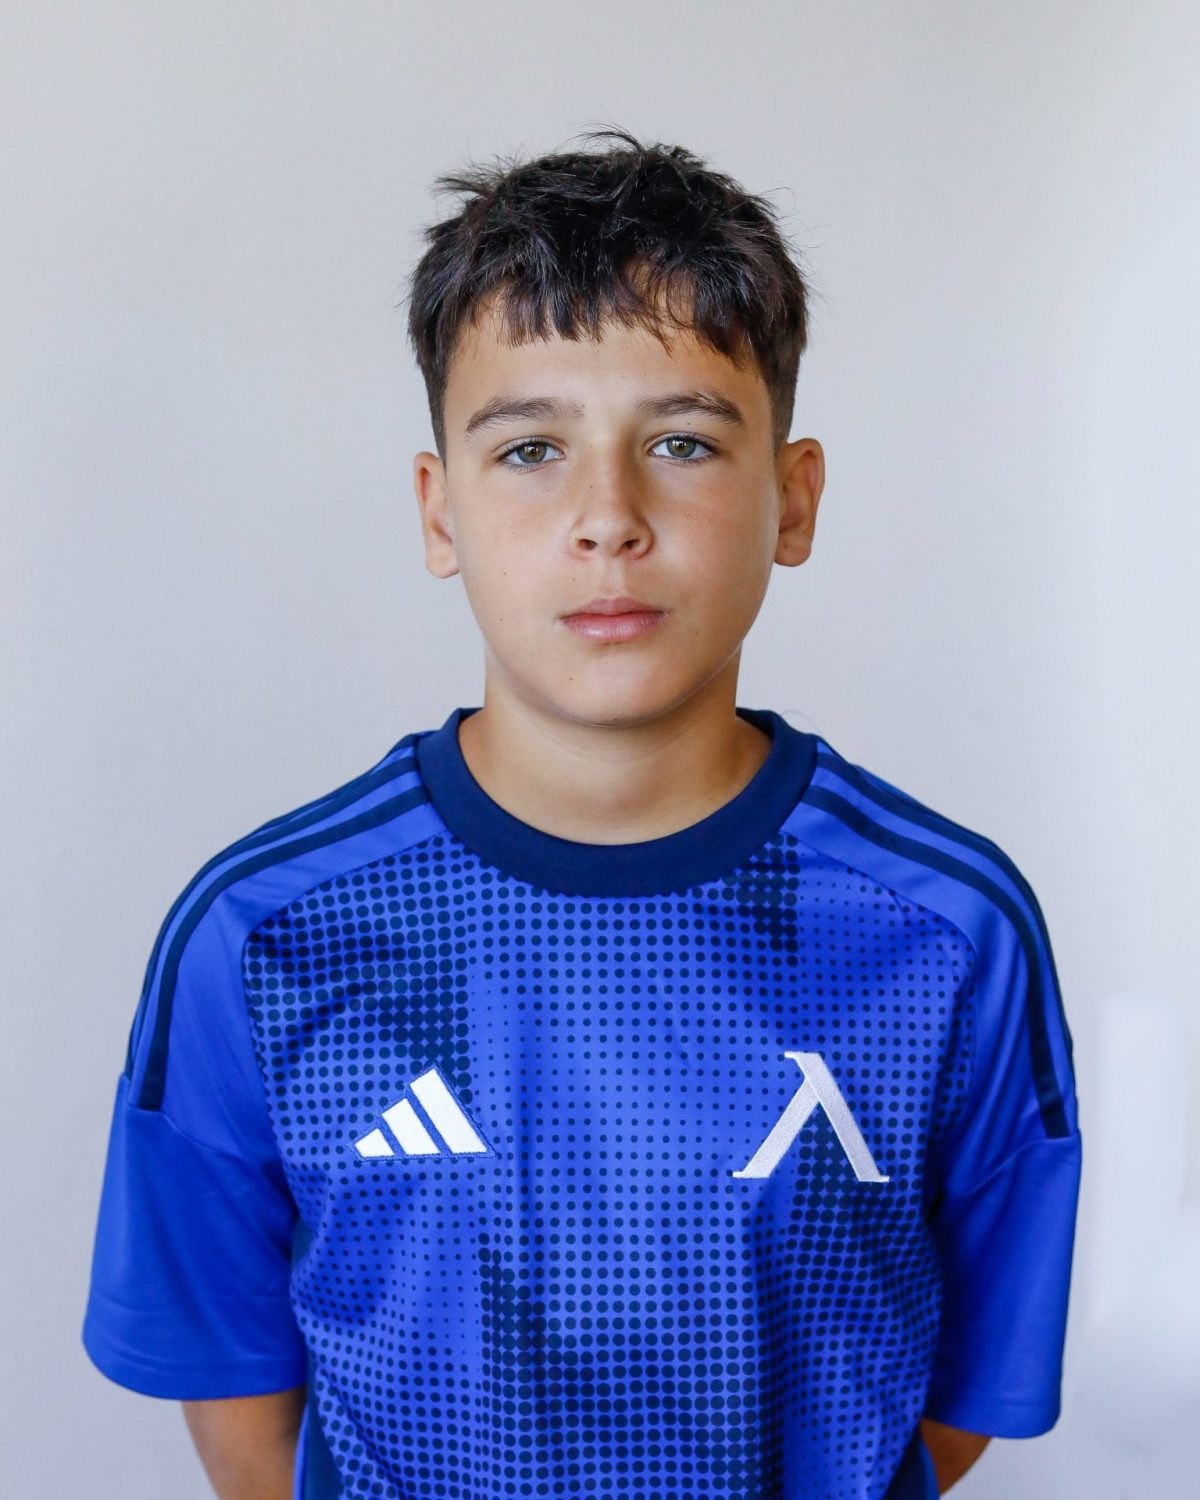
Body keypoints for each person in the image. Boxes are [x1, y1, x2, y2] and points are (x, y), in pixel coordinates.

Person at [82, 125, 1083, 1500]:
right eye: (531, 450)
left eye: (681, 441)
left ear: (793, 501)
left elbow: (959, 1394)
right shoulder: (261, 933)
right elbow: (233, 1383)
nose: (608, 517)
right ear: (439, 512)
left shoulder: (949, 931)